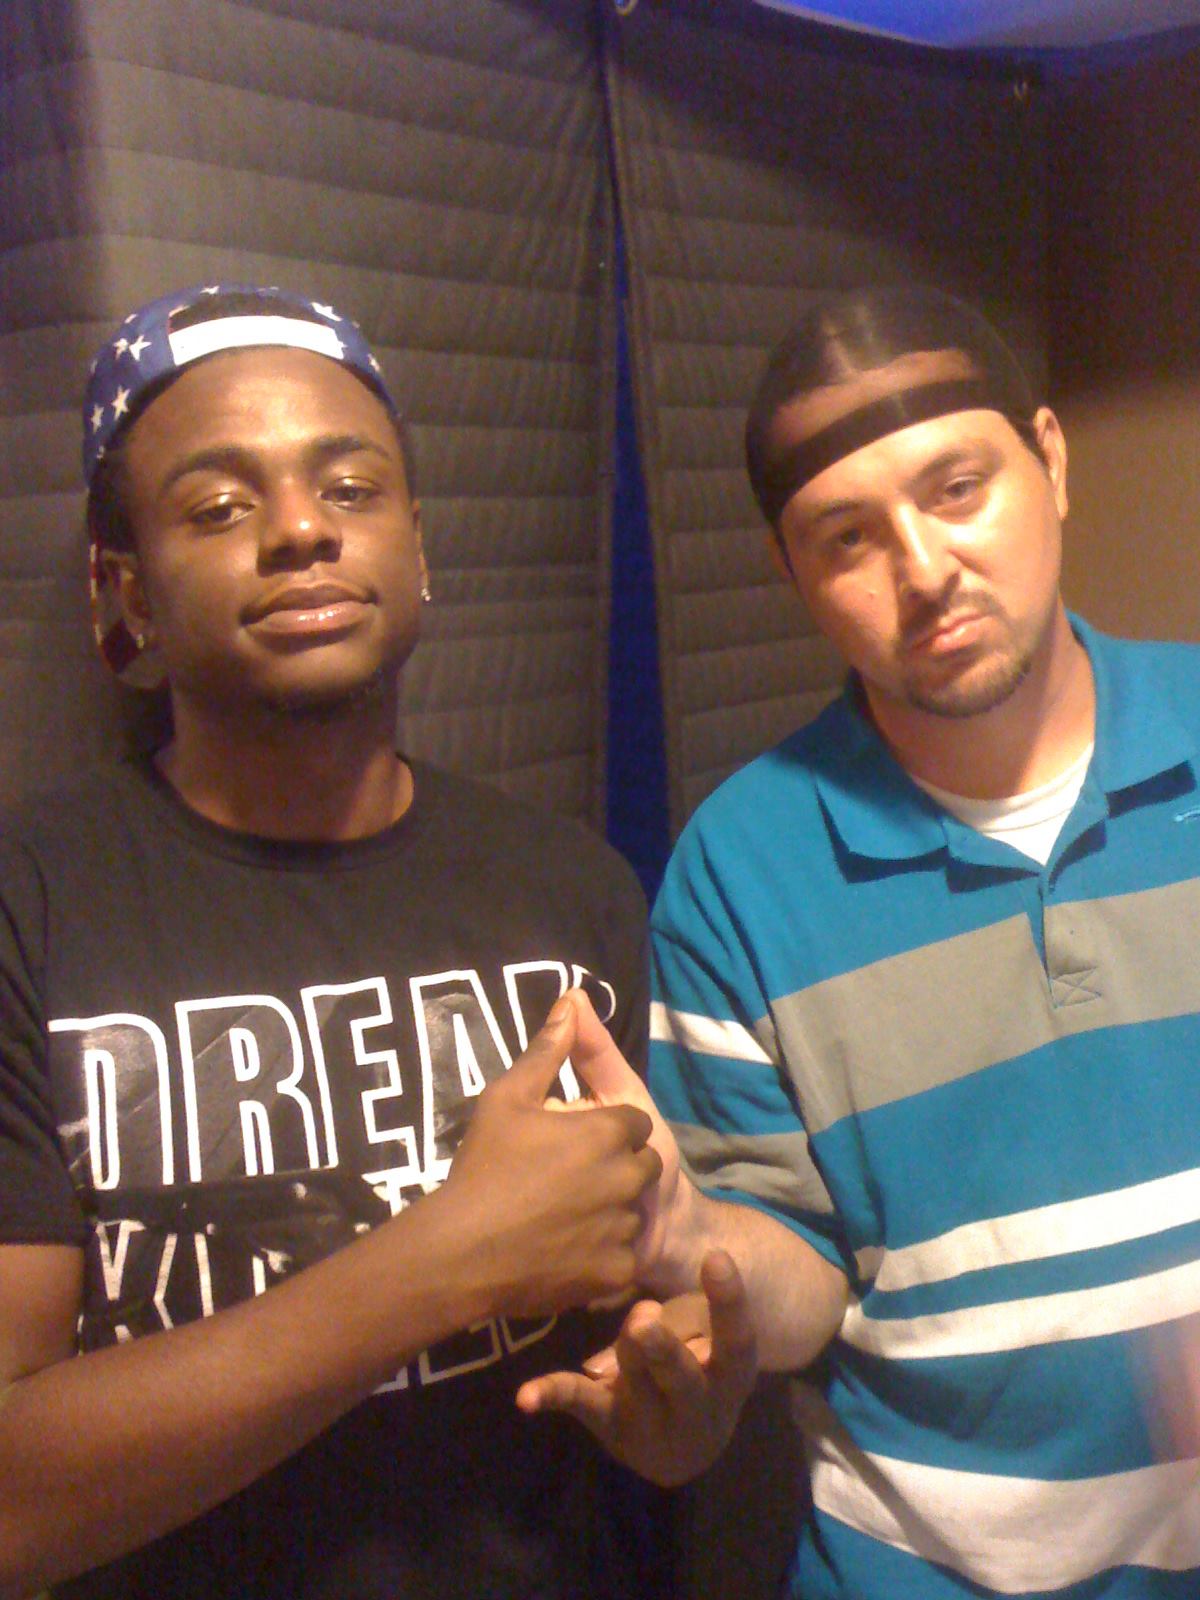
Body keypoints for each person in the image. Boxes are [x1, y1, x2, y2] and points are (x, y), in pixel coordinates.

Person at [0, 283, 755, 1600]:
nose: (302, 529)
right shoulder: (32, 902)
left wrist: (683, 1416)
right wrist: (442, 1264)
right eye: (218, 507)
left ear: (418, 549)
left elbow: (637, 1321)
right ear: (123, 593)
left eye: (350, 489)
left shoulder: (572, 890)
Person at [532, 283, 1200, 1598]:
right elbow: (804, 1291)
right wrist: (695, 1235)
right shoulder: (739, 870)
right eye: (848, 537)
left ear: (1051, 462)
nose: (924, 568)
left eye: (958, 489)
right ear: (794, 574)